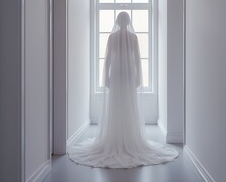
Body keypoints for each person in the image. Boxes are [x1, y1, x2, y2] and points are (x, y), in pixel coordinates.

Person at [68, 12, 178, 168]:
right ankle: (127, 138)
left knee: (117, 105)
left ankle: (116, 137)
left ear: (118, 22)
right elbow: (137, 61)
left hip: (117, 73)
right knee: (127, 105)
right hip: (127, 74)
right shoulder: (133, 38)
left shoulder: (113, 37)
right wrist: (138, 78)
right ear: (128, 21)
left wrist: (106, 77)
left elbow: (107, 61)